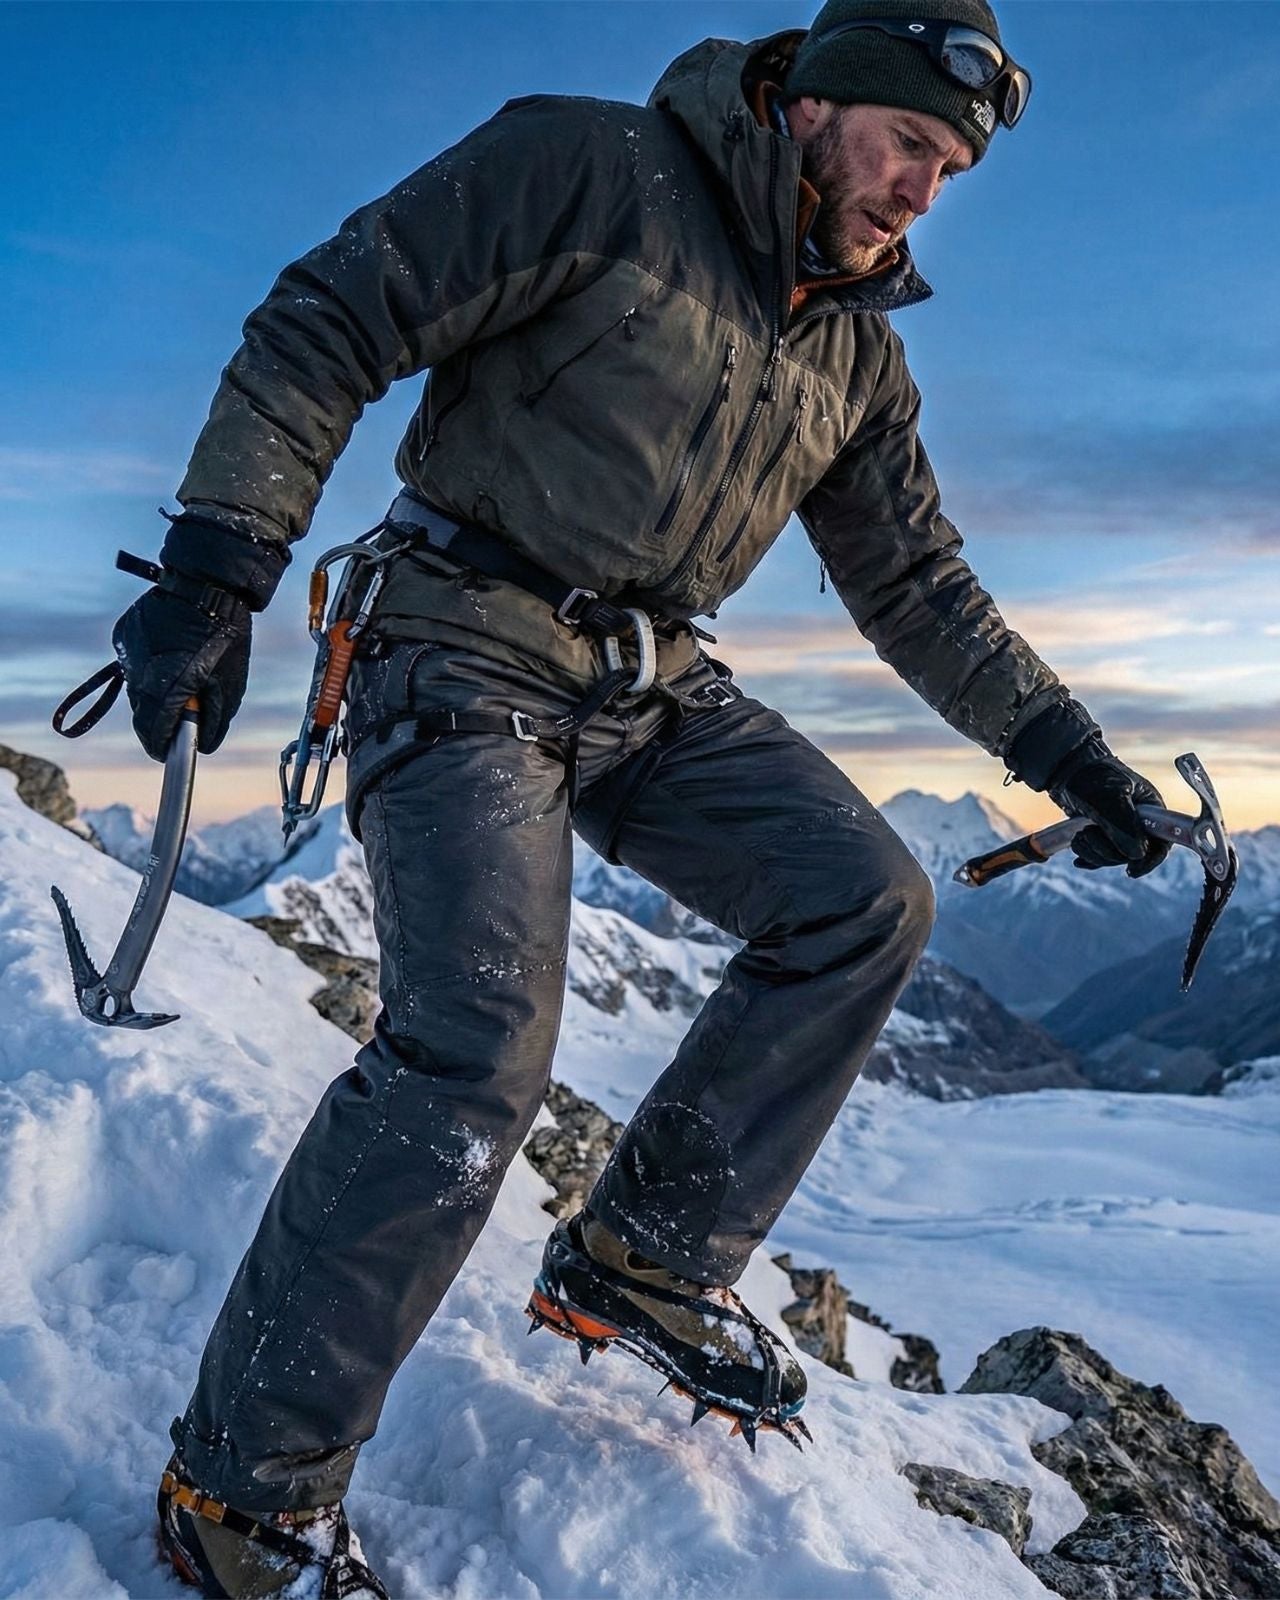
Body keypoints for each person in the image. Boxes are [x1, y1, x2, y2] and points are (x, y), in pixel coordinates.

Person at [115, 3, 1170, 1594]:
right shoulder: (593, 168)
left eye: (950, 173)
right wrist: (218, 561)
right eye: (907, 145)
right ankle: (242, 1493)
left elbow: (918, 585)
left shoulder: (856, 355)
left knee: (866, 901)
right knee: (473, 1048)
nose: (921, 193)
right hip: (457, 638)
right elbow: (338, 309)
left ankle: (647, 1254)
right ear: (815, 101)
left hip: (652, 681)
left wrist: (1071, 756)